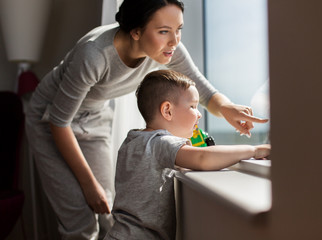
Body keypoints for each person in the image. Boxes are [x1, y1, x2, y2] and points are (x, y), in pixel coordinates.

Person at [25, 0, 268, 239]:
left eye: (178, 29)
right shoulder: (94, 54)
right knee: (80, 218)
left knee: (108, 207)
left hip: (95, 117)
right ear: (136, 31)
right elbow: (59, 121)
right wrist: (89, 186)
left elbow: (203, 92)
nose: (174, 41)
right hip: (50, 120)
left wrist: (228, 109)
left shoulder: (167, 50)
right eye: (164, 31)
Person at [104, 69, 271, 240]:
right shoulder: (160, 142)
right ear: (167, 110)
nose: (199, 113)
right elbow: (202, 158)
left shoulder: (132, 140)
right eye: (192, 106)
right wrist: (254, 150)